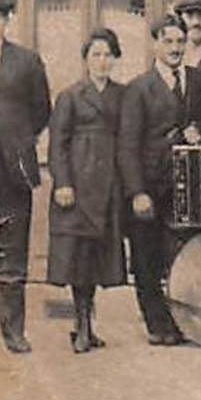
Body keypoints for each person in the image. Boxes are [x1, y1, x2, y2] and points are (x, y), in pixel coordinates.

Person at [118, 13, 201, 346]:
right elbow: (127, 146)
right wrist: (136, 192)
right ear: (154, 44)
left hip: (187, 185)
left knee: (182, 253)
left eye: (180, 41)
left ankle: (183, 319)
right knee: (146, 258)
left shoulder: (198, 81)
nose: (175, 48)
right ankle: (157, 325)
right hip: (149, 186)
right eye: (168, 41)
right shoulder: (138, 88)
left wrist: (199, 132)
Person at [46, 28, 127, 354]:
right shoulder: (70, 96)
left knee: (96, 259)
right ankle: (80, 326)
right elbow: (57, 146)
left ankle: (89, 326)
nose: (102, 61)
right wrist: (63, 182)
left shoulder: (122, 95)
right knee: (78, 259)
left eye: (108, 54)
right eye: (96, 54)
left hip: (108, 187)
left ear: (116, 58)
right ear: (85, 60)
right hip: (78, 187)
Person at [0, 0, 51, 353]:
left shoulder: (27, 61)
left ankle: (13, 332)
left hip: (13, 170)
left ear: (7, 20)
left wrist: (18, 140)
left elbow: (42, 110)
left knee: (13, 252)